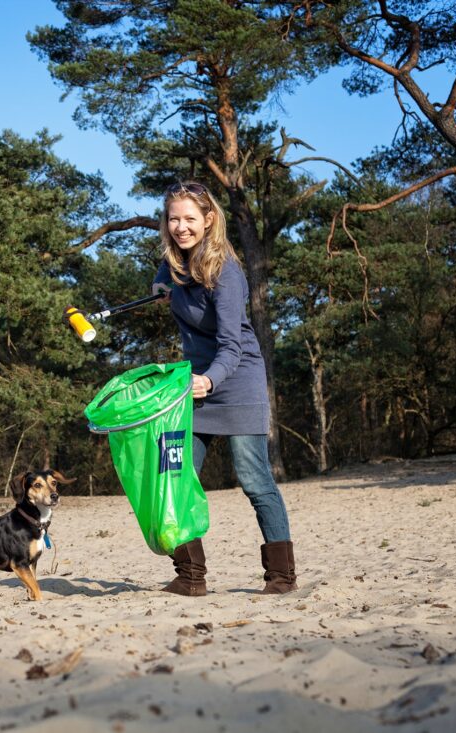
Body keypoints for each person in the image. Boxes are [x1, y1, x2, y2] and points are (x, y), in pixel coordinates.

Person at [150, 180, 297, 596]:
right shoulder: (173, 262)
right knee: (176, 478)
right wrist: (159, 286)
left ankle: (282, 577)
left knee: (254, 479)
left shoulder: (226, 273)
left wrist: (210, 380)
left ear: (209, 220)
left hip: (236, 381)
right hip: (190, 385)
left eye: (190, 219)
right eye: (174, 219)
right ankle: (190, 576)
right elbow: (164, 278)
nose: (181, 227)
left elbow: (232, 345)